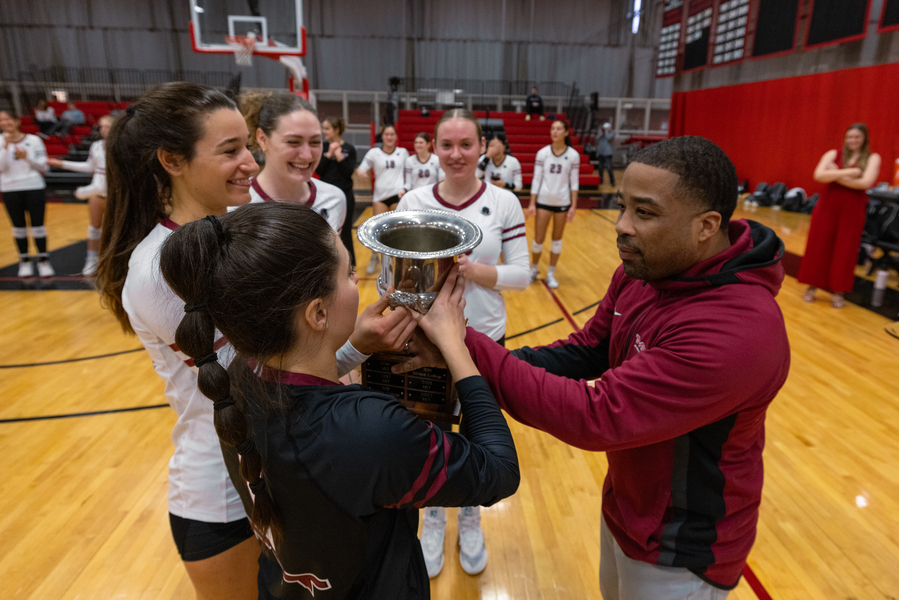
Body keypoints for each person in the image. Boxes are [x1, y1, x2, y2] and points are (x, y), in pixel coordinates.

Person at [396, 136, 792, 600]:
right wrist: (471, 372)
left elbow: (596, 415)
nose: (621, 227)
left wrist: (462, 348)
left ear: (706, 226)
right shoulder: (644, 271)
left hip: (684, 547)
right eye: (622, 207)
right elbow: (589, 348)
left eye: (644, 213)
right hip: (628, 507)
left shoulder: (737, 333)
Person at [95, 82, 418, 600]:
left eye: (248, 144)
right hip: (225, 494)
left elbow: (288, 369)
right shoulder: (159, 270)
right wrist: (354, 349)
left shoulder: (233, 230)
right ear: (172, 160)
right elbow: (271, 385)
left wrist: (359, 341)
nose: (250, 162)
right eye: (229, 151)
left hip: (279, 476)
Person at [158, 202, 520, 599]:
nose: (356, 281)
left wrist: (350, 348)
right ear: (317, 313)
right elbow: (499, 471)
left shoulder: (234, 380)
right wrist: (457, 346)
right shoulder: (369, 431)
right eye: (348, 272)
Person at [397, 108, 530, 579]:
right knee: (431, 436)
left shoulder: (504, 201)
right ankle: (433, 516)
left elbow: (523, 273)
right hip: (425, 342)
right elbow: (390, 277)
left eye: (466, 145)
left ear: (482, 148)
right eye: (446, 145)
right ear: (433, 148)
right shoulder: (412, 199)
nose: (456, 155)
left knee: (477, 434)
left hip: (487, 341)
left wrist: (471, 271)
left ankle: (470, 515)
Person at [798, 123, 881, 309]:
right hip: (828, 206)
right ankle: (812, 286)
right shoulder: (832, 153)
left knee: (846, 249)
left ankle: (838, 292)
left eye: (857, 137)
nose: (852, 140)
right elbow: (819, 175)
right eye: (850, 137)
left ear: (864, 139)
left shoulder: (873, 158)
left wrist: (834, 173)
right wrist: (851, 173)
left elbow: (865, 183)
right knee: (819, 245)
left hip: (853, 209)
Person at [241, 92, 346, 235]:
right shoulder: (236, 207)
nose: (307, 155)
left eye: (315, 142)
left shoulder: (334, 199)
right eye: (293, 142)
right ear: (263, 139)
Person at [48, 114, 114, 275]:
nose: (104, 129)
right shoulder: (96, 146)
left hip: (115, 194)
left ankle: (113, 262)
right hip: (97, 194)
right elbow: (89, 167)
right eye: (102, 126)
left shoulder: (123, 145)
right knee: (94, 228)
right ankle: (92, 260)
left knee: (114, 230)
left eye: (108, 126)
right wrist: (62, 163)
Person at [527, 119, 579, 288]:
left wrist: (573, 205)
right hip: (543, 201)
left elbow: (574, 182)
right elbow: (537, 179)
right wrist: (532, 203)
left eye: (558, 129)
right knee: (538, 239)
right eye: (552, 129)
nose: (554, 131)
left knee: (557, 240)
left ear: (565, 133)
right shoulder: (542, 153)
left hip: (562, 203)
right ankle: (534, 270)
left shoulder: (573, 155)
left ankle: (550, 273)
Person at [0, 110, 53, 278]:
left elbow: (44, 167)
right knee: (18, 228)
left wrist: (26, 158)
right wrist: (6, 147)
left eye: (8, 119)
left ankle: (44, 260)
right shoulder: (1, 142)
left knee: (38, 226)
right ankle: (24, 261)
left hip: (33, 186)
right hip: (10, 189)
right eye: (1, 121)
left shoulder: (34, 140)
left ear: (16, 121)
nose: (5, 123)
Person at [357, 124, 409, 274]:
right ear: (382, 137)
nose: (389, 137)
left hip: (397, 195)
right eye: (387, 134)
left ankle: (395, 261)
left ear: (396, 137)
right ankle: (374, 257)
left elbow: (410, 170)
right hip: (380, 197)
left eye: (392, 134)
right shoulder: (374, 153)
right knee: (377, 230)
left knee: (396, 231)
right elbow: (362, 167)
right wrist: (361, 172)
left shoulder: (403, 152)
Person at [317, 116, 358, 265]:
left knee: (345, 231)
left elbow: (348, 172)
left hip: (346, 195)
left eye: (327, 128)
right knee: (325, 231)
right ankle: (327, 264)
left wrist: (339, 156)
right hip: (324, 196)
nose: (324, 131)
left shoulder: (349, 149)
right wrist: (328, 155)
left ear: (336, 130)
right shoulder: (322, 147)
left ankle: (349, 265)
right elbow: (319, 170)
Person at [596, 121, 616, 187]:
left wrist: (607, 131)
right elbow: (597, 139)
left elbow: (608, 137)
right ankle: (600, 181)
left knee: (609, 168)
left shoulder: (612, 133)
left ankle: (612, 181)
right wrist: (601, 133)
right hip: (601, 153)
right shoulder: (601, 134)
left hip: (608, 153)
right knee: (600, 168)